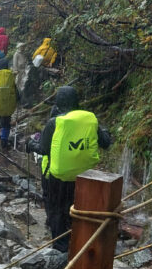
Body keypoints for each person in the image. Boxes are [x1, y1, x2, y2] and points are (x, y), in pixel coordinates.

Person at [30, 86, 112, 253]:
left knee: (55, 208)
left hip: (56, 176)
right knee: (72, 206)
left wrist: (30, 144)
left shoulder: (54, 122)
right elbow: (105, 142)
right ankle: (75, 238)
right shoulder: (89, 119)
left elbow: (43, 149)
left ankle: (60, 248)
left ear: (58, 103)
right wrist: (105, 132)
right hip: (82, 175)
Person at [0, 58, 18, 150]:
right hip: (8, 106)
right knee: (6, 123)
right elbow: (17, 93)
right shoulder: (11, 78)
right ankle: (4, 142)